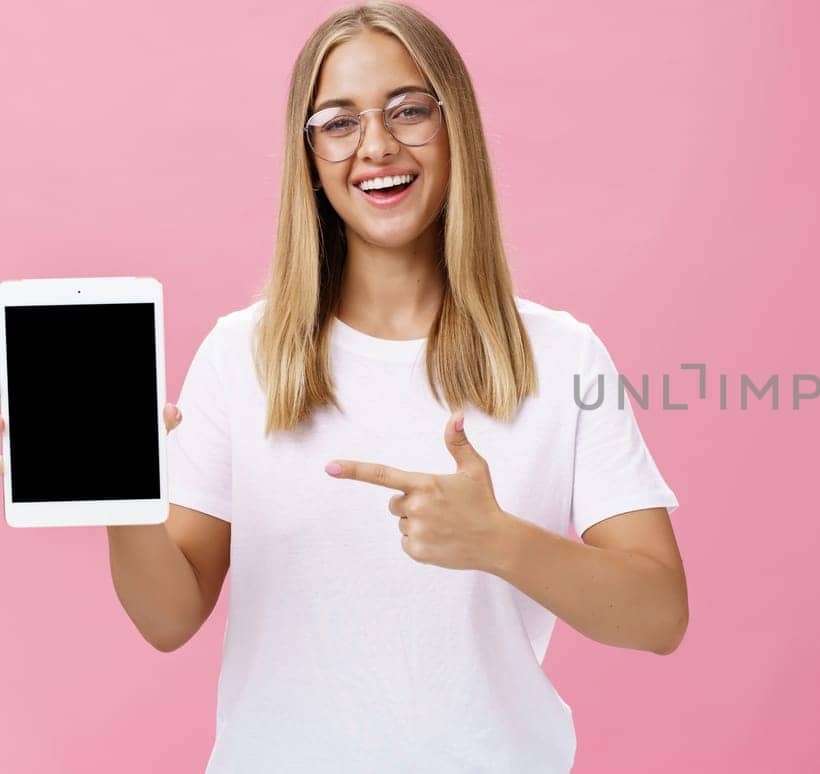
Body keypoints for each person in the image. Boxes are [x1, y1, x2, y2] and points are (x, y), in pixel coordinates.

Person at [1, 3, 687, 772]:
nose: (378, 146)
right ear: (310, 155)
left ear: (453, 122)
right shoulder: (241, 355)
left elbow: (658, 614)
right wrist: (118, 496)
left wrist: (499, 543)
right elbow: (170, 617)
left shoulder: (561, 356)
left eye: (408, 110)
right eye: (338, 121)